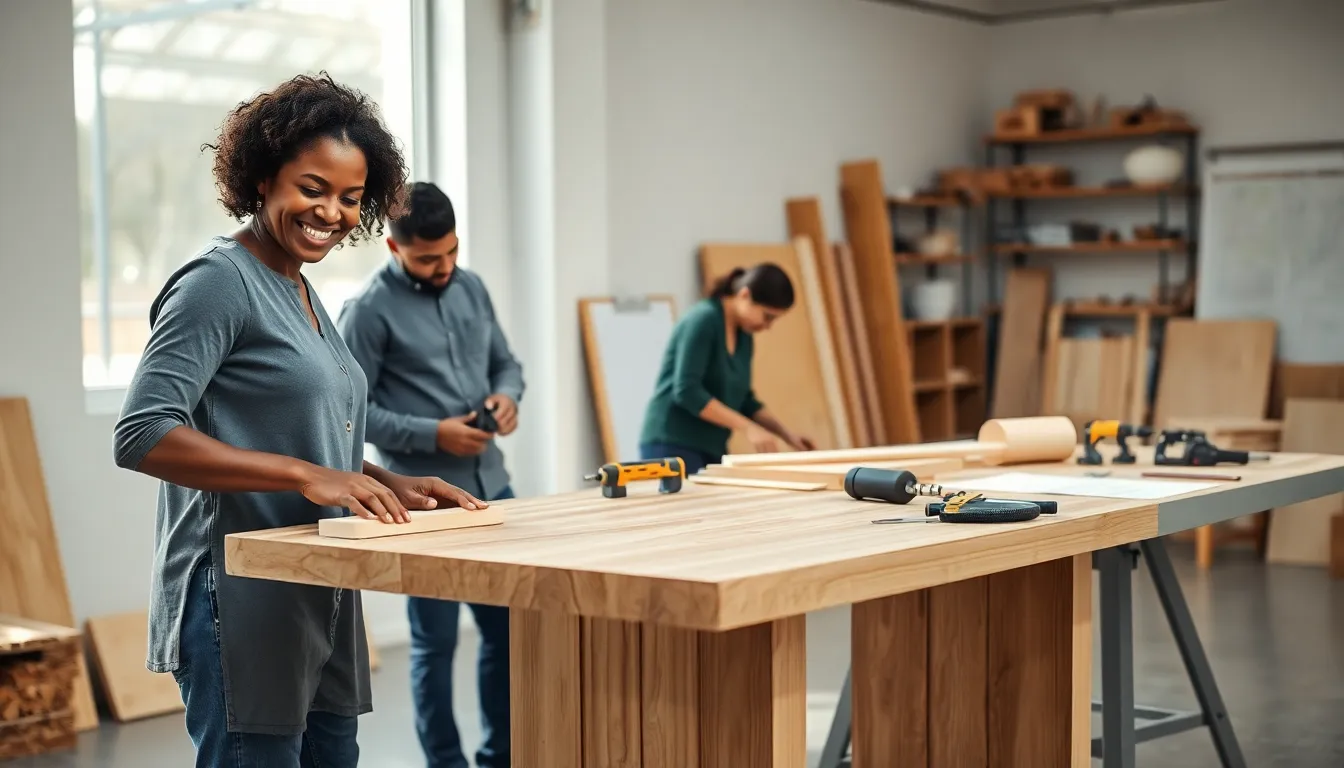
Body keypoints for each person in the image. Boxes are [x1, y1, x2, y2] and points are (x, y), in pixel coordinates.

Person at [112, 73, 487, 768]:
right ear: (262, 180)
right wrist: (306, 475)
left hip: (321, 585)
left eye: (351, 197)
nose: (332, 212)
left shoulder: (301, 287)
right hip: (238, 591)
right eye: (312, 188)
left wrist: (381, 481)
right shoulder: (217, 283)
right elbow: (141, 432)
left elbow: (306, 436)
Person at [336, 181, 523, 768]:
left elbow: (506, 364)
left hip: (494, 491)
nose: (442, 269)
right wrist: (431, 433)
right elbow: (349, 411)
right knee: (435, 645)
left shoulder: (473, 288)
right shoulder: (366, 313)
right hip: (424, 506)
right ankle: (445, 763)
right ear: (393, 247)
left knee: (508, 636)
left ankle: (502, 758)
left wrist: (507, 396)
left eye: (450, 254)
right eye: (426, 259)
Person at [638, 263, 816, 474]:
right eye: (767, 316)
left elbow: (745, 401)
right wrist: (748, 428)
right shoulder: (703, 319)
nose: (768, 326)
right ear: (744, 295)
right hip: (671, 442)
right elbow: (687, 391)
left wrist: (787, 436)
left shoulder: (744, 336)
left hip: (710, 447)